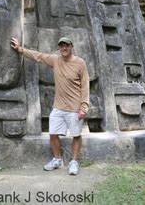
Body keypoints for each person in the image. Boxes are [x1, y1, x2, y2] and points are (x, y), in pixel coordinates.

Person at [10, 36, 90, 175]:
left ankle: (74, 162)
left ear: (72, 46)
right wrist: (20, 49)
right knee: (53, 134)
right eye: (61, 46)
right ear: (59, 48)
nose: (64, 48)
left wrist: (84, 107)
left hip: (75, 108)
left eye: (66, 45)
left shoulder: (80, 63)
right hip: (58, 107)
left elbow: (85, 86)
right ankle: (57, 159)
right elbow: (38, 56)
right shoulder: (55, 60)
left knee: (76, 135)